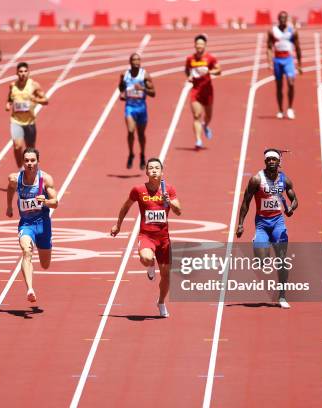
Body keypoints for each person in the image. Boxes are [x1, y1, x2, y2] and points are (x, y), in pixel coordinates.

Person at [110, 158, 182, 317]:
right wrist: (118, 225)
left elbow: (179, 211)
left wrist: (168, 202)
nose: (154, 170)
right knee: (145, 258)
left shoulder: (168, 189)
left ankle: (161, 302)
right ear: (147, 172)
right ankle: (150, 264)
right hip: (147, 235)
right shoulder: (138, 190)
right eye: (151, 168)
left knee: (166, 276)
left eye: (157, 168)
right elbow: (125, 207)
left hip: (164, 239)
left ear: (162, 172)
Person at [236, 149, 298, 308]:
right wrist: (241, 224)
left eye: (274, 159)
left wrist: (291, 208)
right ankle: (259, 244)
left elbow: (295, 199)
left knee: (282, 260)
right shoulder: (257, 180)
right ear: (265, 162)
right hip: (262, 224)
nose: (271, 161)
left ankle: (282, 296)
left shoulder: (284, 180)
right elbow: (245, 202)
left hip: (278, 223)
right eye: (268, 159)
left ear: (278, 162)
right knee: (262, 262)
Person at [6, 148, 58, 302]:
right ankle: (30, 289)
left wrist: (46, 201)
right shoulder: (15, 179)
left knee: (45, 264)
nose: (29, 163)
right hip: (26, 224)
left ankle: (46, 245)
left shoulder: (46, 179)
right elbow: (10, 188)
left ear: (37, 162)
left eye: (32, 160)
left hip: (43, 225)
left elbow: (55, 203)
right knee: (26, 251)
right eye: (27, 160)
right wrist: (9, 206)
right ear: (23, 162)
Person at [6, 62, 48, 170]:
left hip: (30, 122)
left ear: (28, 73)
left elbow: (45, 100)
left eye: (25, 71)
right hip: (16, 121)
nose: (23, 74)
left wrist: (35, 99)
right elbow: (10, 98)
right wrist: (8, 104)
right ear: (17, 73)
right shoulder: (12, 85)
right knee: (17, 146)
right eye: (20, 71)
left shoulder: (34, 85)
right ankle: (20, 169)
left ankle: (32, 171)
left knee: (30, 150)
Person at [118, 53, 155, 169]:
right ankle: (131, 154)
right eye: (134, 60)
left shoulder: (145, 75)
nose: (136, 62)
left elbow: (153, 93)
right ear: (130, 62)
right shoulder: (125, 75)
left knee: (141, 135)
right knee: (130, 131)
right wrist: (122, 92)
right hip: (130, 107)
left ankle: (142, 154)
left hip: (141, 108)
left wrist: (143, 88)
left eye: (138, 60)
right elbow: (121, 88)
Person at [185, 34, 221, 149]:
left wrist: (209, 72)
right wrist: (189, 76)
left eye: (201, 44)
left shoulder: (210, 58)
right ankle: (198, 140)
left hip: (208, 90)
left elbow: (219, 70)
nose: (199, 46)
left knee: (208, 116)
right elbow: (187, 70)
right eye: (197, 44)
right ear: (195, 45)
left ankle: (205, 126)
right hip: (195, 90)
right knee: (197, 115)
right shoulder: (190, 59)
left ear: (205, 45)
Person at [267, 11, 302, 120]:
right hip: (277, 60)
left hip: (288, 60)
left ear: (287, 19)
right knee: (279, 86)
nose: (282, 20)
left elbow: (297, 47)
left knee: (291, 83)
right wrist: (269, 62)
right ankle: (280, 110)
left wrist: (300, 64)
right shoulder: (272, 31)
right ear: (278, 19)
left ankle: (290, 108)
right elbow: (269, 47)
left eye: (284, 18)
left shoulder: (292, 31)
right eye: (281, 18)